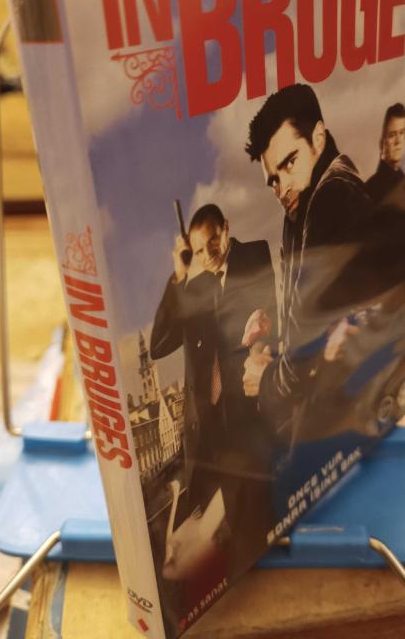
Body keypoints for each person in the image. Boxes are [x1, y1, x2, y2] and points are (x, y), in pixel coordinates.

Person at [243, 83, 376, 445]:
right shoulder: (303, 205)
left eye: (290, 162)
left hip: (345, 411)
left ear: (318, 137)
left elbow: (305, 352)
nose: (282, 187)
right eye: (273, 180)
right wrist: (274, 336)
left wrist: (264, 381)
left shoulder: (331, 195)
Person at [150, 203, 278, 576]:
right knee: (200, 558)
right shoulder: (195, 286)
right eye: (198, 250)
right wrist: (179, 278)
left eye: (212, 243)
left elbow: (262, 316)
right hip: (204, 433)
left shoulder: (253, 256)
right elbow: (159, 345)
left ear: (226, 229)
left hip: (244, 425)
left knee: (247, 534)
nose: (207, 255)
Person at [366, 103, 405, 310]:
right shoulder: (370, 189)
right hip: (383, 300)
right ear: (382, 142)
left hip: (404, 297)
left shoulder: (403, 181)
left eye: (402, 133)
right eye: (392, 135)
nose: (398, 141)